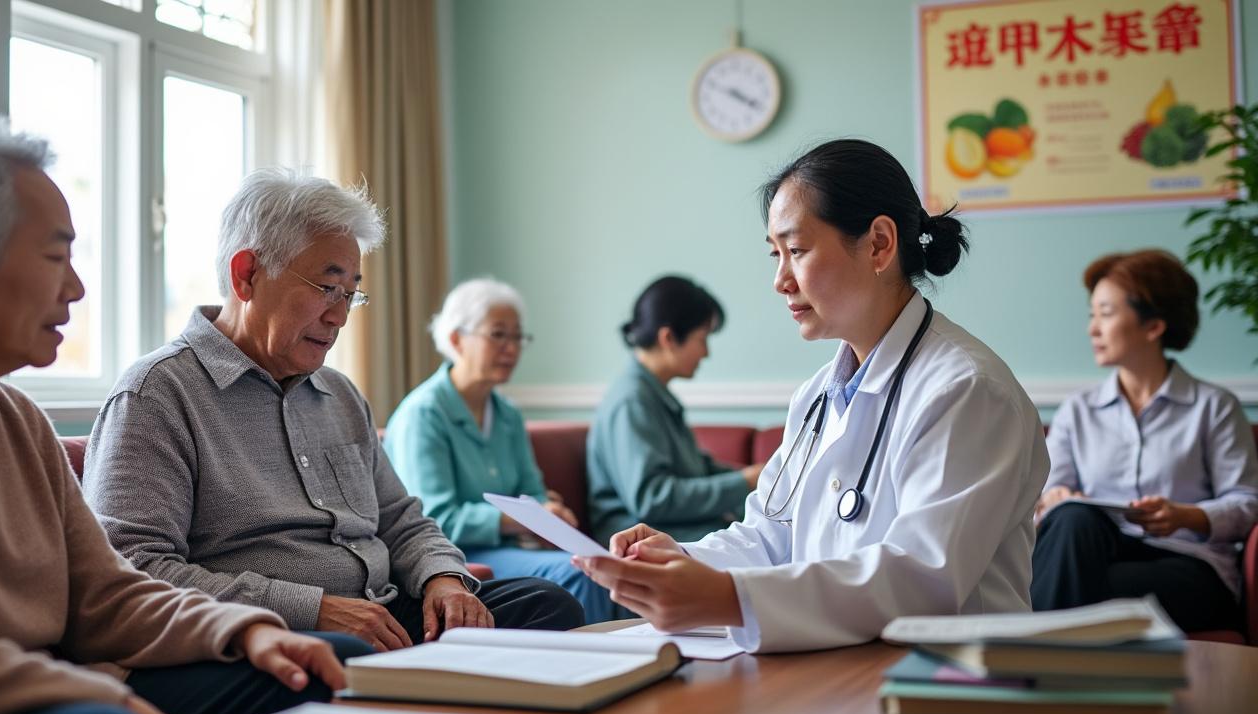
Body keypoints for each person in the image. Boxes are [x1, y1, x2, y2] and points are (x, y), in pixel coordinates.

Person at [0, 114, 361, 714]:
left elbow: (108, 593)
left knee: (320, 669)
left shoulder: (18, 420)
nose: (76, 287)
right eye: (54, 257)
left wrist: (247, 632)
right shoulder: (155, 390)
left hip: (63, 694)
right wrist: (112, 699)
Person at [575, 139, 1050, 653]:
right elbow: (769, 536)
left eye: (796, 250)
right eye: (775, 254)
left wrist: (730, 598)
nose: (780, 280)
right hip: (835, 666)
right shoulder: (818, 396)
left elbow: (921, 579)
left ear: (879, 245)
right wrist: (683, 563)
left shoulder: (967, 390)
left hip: (946, 683)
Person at [85, 169, 583, 654]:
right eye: (326, 288)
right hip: (271, 634)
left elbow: (401, 520)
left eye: (350, 294)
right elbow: (134, 568)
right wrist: (312, 609)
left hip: (384, 614)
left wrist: (444, 578)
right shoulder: (157, 394)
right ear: (247, 275)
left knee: (545, 605)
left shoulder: (340, 396)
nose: (340, 316)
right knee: (337, 658)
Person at [1031, 250, 1258, 632]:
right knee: (1071, 518)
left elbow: (1247, 503)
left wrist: (1187, 516)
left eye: (1106, 313)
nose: (1093, 329)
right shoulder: (1077, 410)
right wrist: (1053, 499)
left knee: (1070, 585)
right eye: (1092, 315)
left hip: (1187, 565)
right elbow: (1051, 499)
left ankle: (1031, 669)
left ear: (1153, 326)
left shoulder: (1214, 407)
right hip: (1098, 553)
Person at [385, 278, 628, 623]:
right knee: (583, 573)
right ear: (457, 339)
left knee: (606, 565)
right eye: (498, 335)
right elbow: (434, 517)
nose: (512, 348)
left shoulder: (508, 415)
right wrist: (515, 519)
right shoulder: (423, 415)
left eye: (517, 337)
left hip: (513, 549)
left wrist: (548, 511)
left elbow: (532, 489)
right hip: (452, 554)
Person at [587, 275, 764, 544]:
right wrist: (744, 482)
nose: (706, 353)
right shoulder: (631, 400)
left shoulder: (653, 394)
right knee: (756, 543)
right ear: (668, 338)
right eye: (702, 339)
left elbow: (697, 468)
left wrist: (757, 478)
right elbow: (651, 498)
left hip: (669, 529)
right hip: (637, 537)